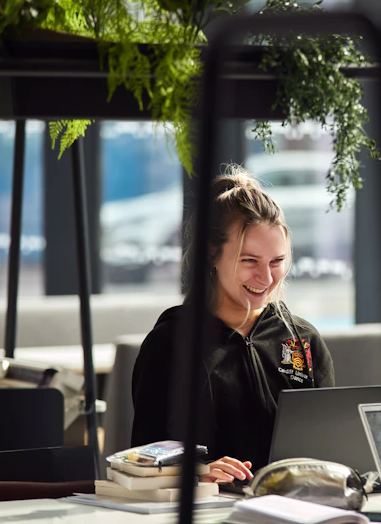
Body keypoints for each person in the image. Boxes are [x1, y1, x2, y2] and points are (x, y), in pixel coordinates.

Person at [131, 167, 335, 484]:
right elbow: (143, 459)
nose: (266, 278)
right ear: (211, 255)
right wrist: (199, 472)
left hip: (294, 502)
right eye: (249, 260)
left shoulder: (302, 341)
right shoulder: (170, 344)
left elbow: (329, 445)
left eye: (277, 261)